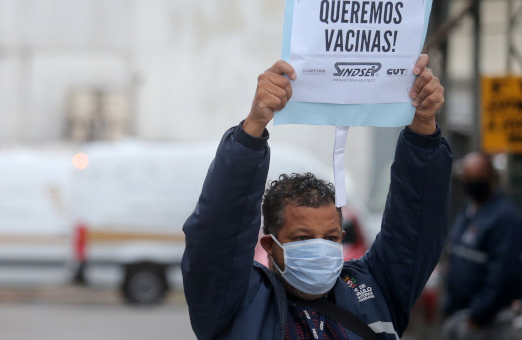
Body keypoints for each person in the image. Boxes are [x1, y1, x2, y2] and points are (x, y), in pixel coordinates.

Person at [181, 54, 452, 340]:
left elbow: (416, 221)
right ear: (269, 245)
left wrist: (423, 126)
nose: (320, 250)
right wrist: (253, 128)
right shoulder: (236, 304)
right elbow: (218, 232)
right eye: (302, 238)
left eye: (331, 237)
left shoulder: (375, 289)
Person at [442, 152, 522, 340]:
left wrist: (478, 315)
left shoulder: (505, 217)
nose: (474, 180)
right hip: (459, 316)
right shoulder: (467, 212)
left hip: (488, 322)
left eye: (479, 174)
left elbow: (503, 273)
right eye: (469, 175)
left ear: (492, 176)